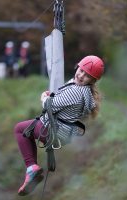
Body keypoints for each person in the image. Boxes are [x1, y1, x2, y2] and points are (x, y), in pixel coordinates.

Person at [14, 55, 104, 196]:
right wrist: (54, 96)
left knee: (20, 129)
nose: (81, 76)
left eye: (87, 76)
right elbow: (62, 98)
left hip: (53, 130)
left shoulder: (76, 91)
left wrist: (44, 97)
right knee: (26, 130)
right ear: (78, 67)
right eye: (81, 71)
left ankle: (31, 168)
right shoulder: (82, 89)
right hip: (62, 133)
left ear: (92, 80)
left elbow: (50, 106)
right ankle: (32, 168)